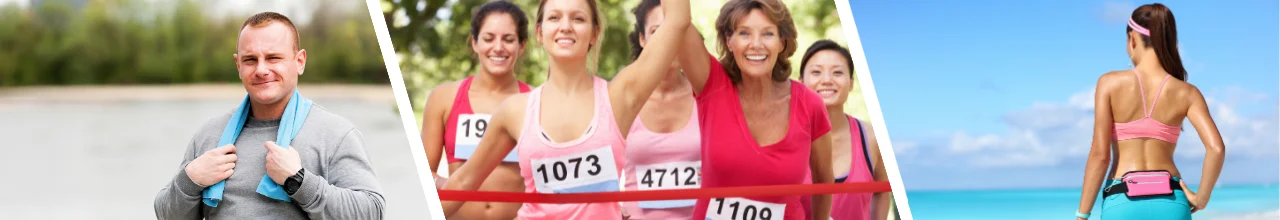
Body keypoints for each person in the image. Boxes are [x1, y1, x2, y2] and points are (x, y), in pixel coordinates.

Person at [439, 0, 691, 219]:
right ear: (539, 32)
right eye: (554, 17)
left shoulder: (620, 96)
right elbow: (462, 182)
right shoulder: (515, 110)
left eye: (578, 18)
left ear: (594, 33)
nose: (566, 26)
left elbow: (677, 21)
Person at [153, 12, 385, 219]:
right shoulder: (209, 134)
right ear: (238, 65)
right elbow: (167, 216)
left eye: (273, 58)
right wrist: (190, 179)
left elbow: (371, 212)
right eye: (250, 59)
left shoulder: (336, 134)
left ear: (300, 61)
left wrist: (299, 181)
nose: (262, 70)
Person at [677, 0, 835, 219]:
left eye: (768, 34)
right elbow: (679, 22)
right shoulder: (711, 84)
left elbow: (825, 180)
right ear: (729, 41)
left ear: (782, 42)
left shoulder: (810, 104)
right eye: (744, 33)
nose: (756, 44)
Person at [1074, 3, 1224, 220]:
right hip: (1172, 202)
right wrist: (1202, 198)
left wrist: (1082, 215)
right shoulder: (1187, 92)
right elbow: (1216, 148)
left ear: (1132, 38)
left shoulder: (1109, 83)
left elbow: (1100, 156)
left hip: (1122, 201)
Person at [421, 1, 532, 219]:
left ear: (521, 46)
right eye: (489, 38)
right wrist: (448, 184)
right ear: (475, 43)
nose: (498, 47)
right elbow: (421, 172)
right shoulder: (444, 98)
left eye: (508, 39)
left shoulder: (537, 101)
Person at [619, 0, 702, 219]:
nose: (669, 40)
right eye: (657, 31)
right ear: (642, 39)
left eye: (673, 30)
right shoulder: (623, 98)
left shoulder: (705, 95)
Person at [798, 40, 890, 220]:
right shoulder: (782, 136)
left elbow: (882, 191)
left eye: (837, 72)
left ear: (851, 83)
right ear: (801, 83)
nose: (826, 80)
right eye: (816, 72)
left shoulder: (873, 137)